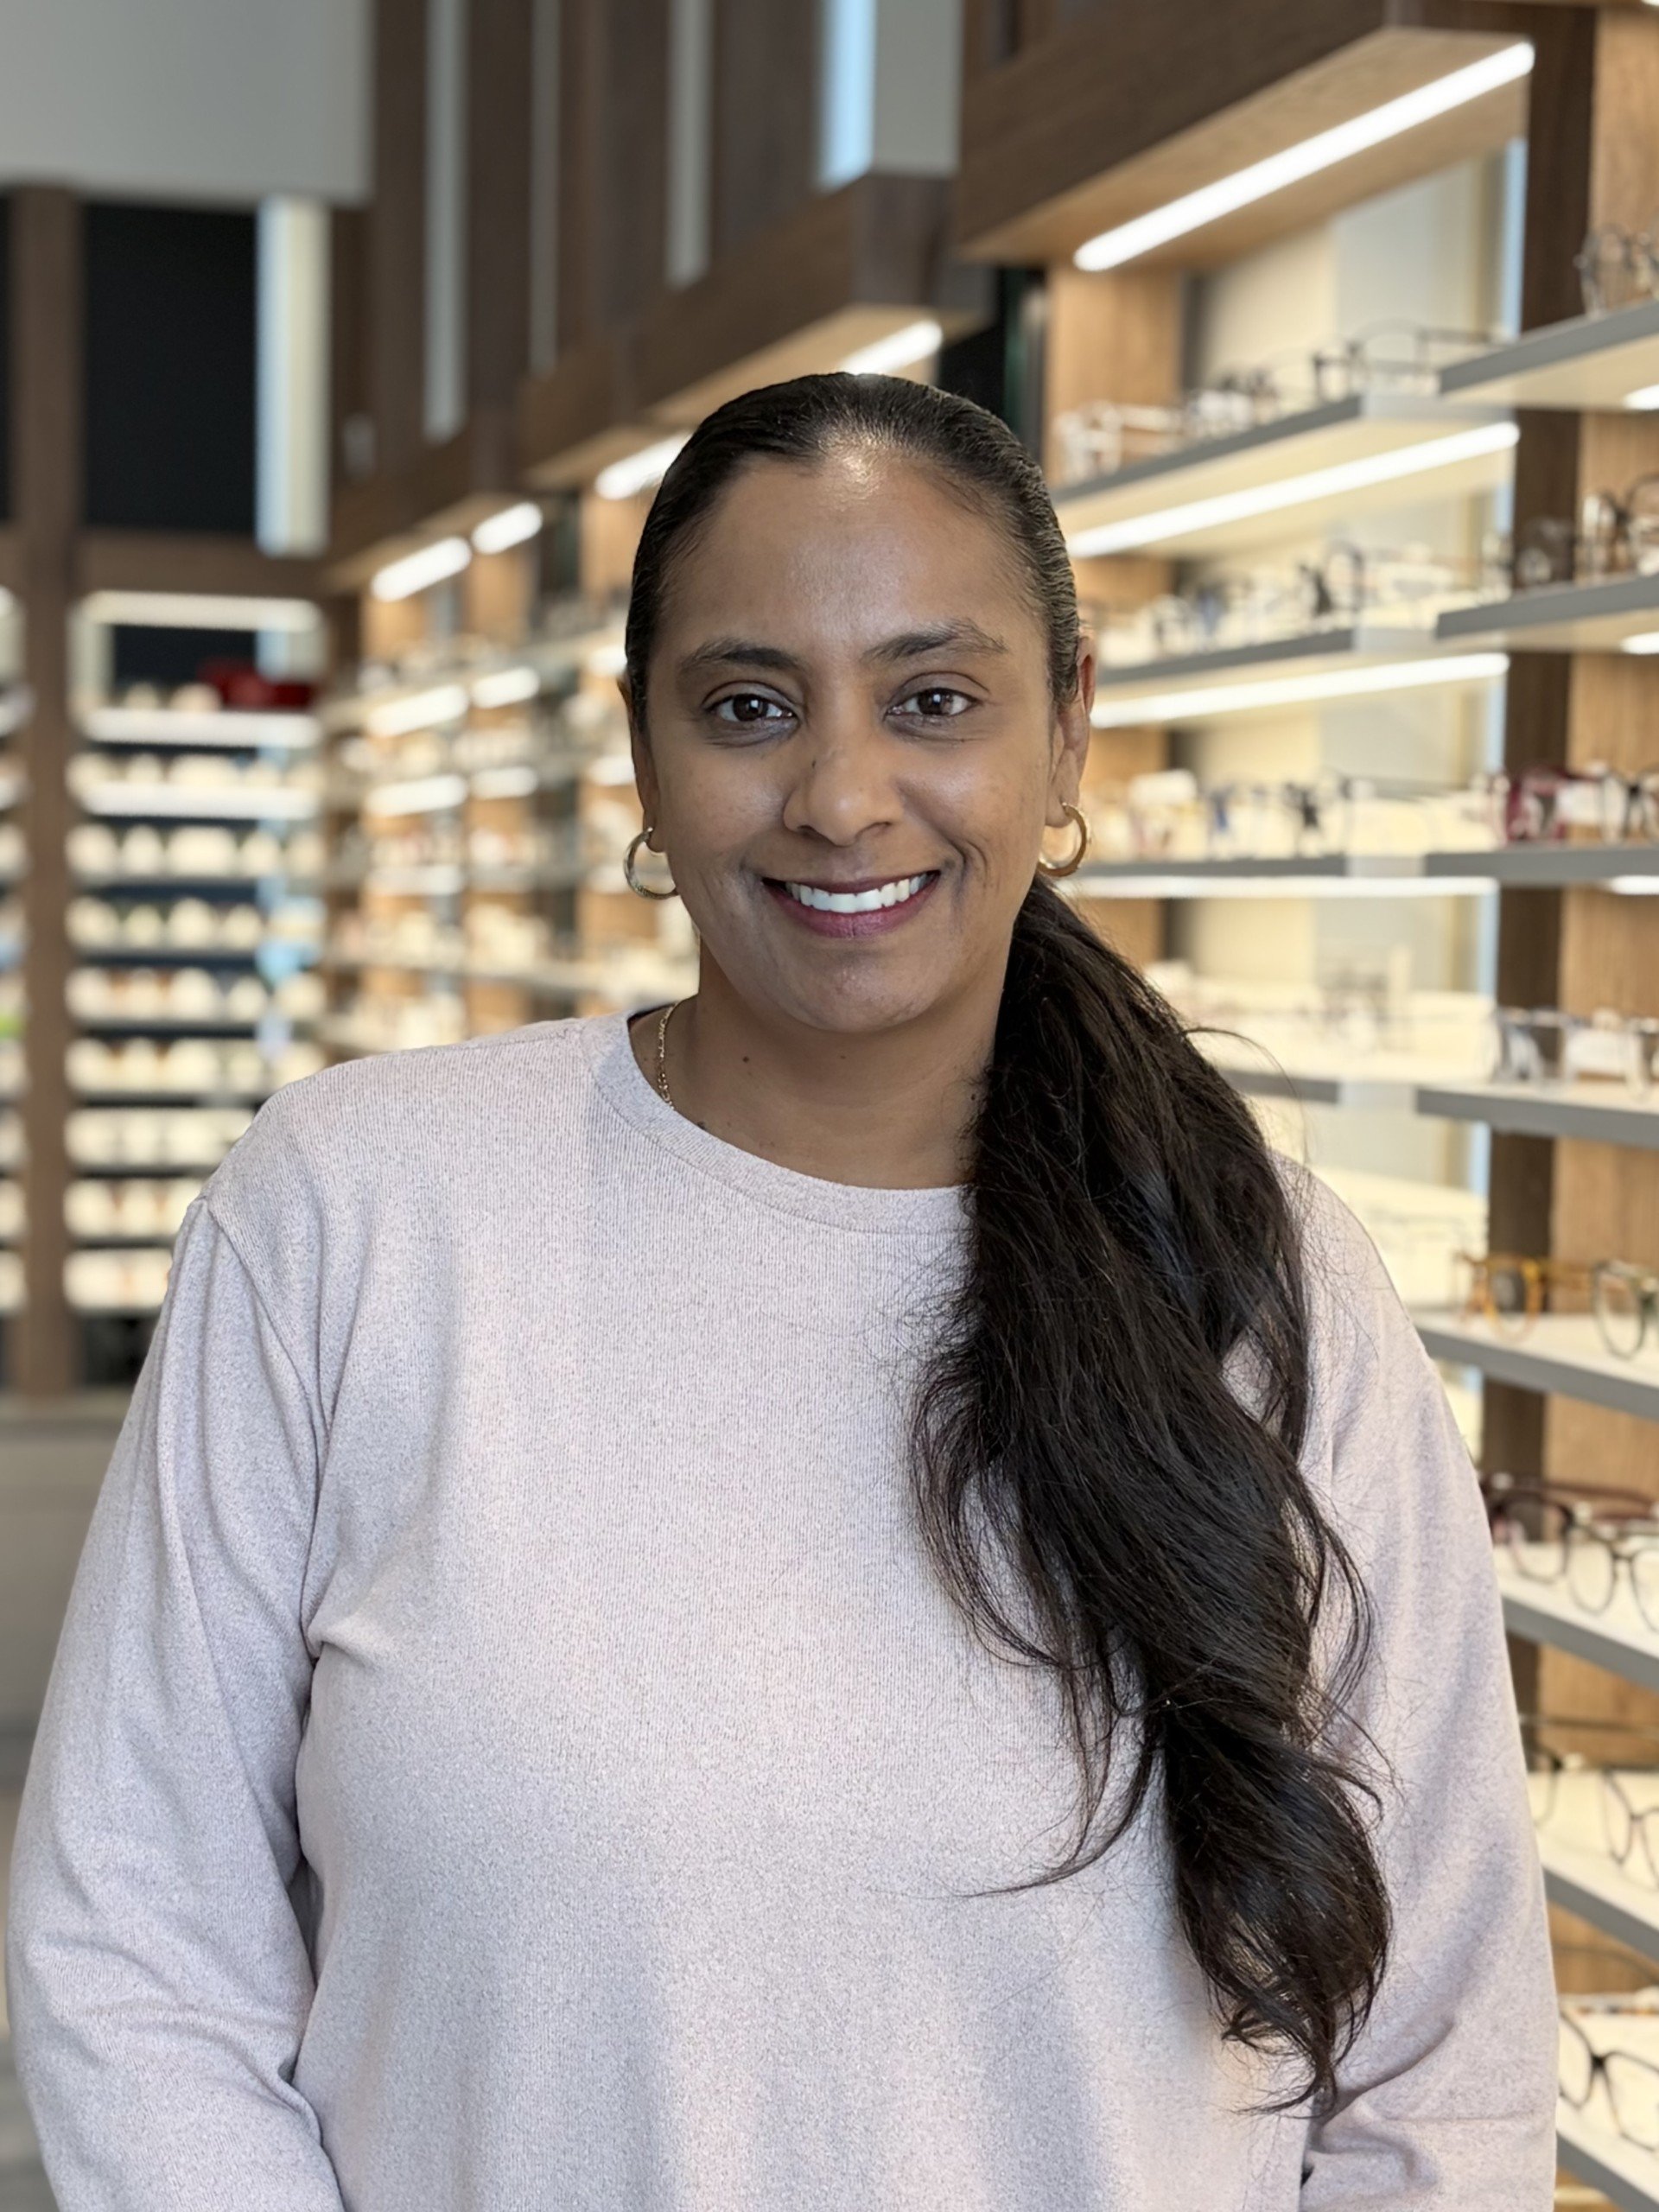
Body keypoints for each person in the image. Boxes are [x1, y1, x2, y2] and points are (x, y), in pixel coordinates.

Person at [7, 372, 1555, 2209]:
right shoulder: (359, 1214)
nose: (839, 794)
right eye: (750, 705)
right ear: (644, 751)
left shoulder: (1268, 1286)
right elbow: (135, 1934)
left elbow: (1440, 2062)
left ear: (1068, 731)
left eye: (933, 699)